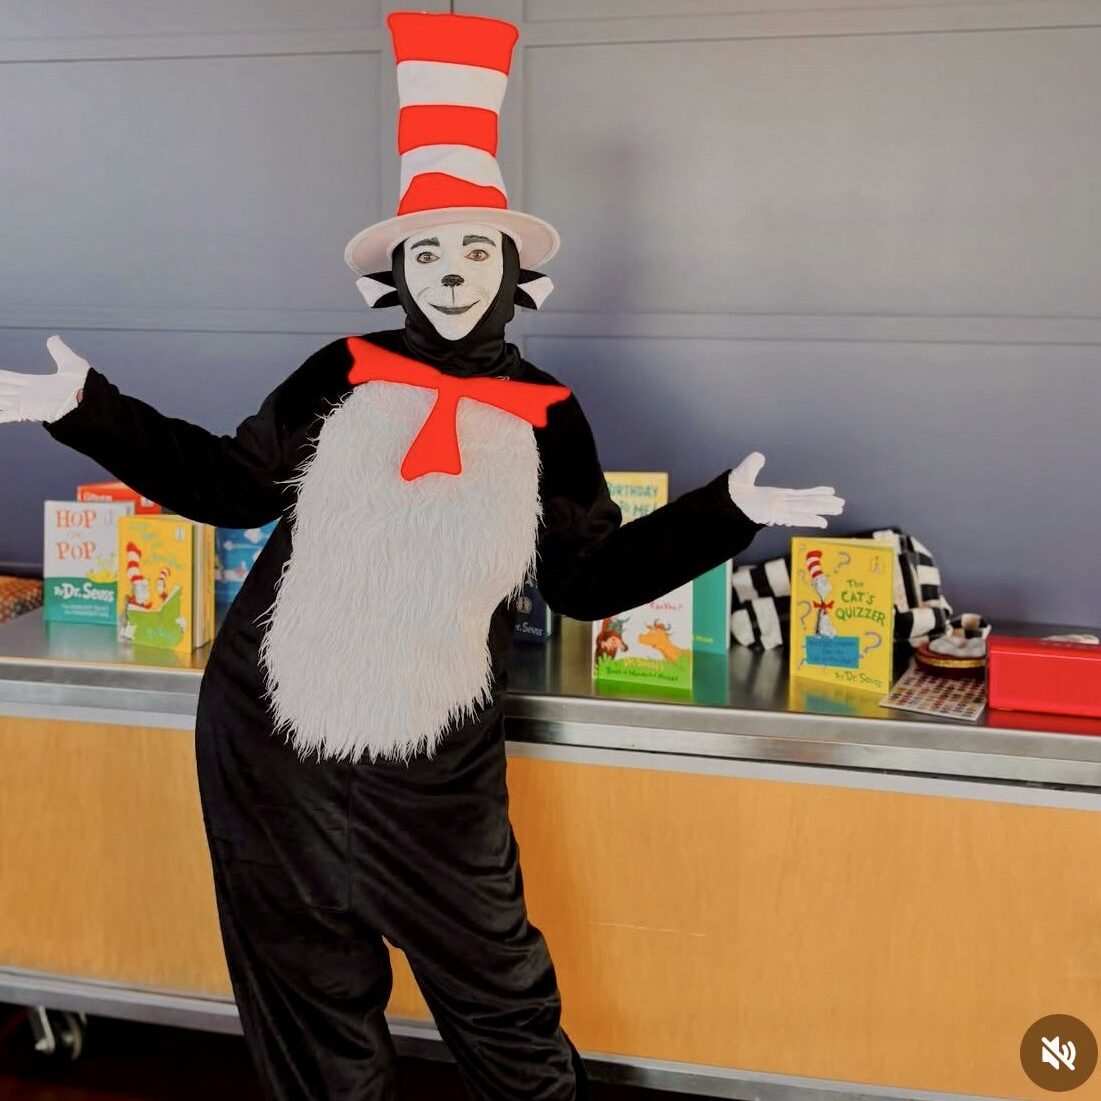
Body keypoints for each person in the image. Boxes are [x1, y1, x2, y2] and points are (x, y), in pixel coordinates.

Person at [0, 12, 843, 1100]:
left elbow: (585, 580)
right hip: (271, 741)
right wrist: (89, 409)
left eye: (473, 249)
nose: (450, 272)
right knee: (308, 1007)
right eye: (427, 251)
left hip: (433, 767)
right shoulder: (338, 370)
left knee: (504, 1007)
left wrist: (725, 510)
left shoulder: (549, 413)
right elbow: (228, 485)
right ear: (396, 273)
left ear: (511, 274)